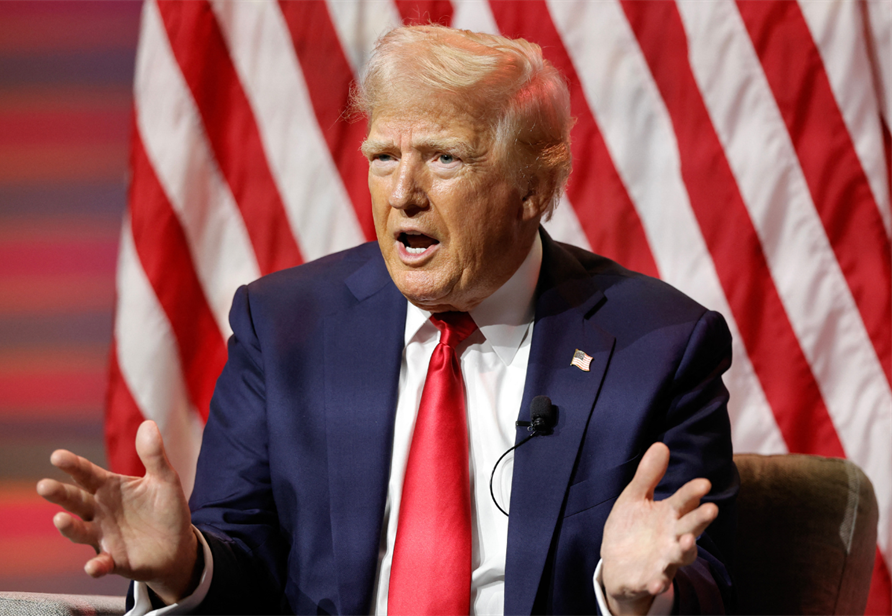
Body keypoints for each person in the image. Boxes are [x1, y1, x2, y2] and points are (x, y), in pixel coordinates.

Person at [38, 25, 738, 616]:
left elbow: (715, 583)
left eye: (442, 158)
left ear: (531, 187)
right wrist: (185, 566)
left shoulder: (657, 345)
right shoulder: (285, 326)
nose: (402, 193)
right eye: (382, 158)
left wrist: (631, 597)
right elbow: (244, 560)